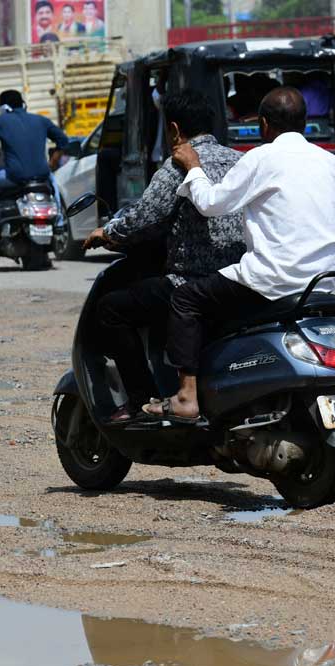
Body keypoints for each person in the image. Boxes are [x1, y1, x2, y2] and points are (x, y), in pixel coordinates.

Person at [143, 87, 335, 422]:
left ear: (263, 125)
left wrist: (194, 167)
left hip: (271, 279)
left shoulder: (260, 158)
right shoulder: (331, 162)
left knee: (186, 299)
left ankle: (186, 397)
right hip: (323, 282)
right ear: (305, 123)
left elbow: (210, 204)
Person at [82, 90, 246, 422]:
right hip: (237, 278)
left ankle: (140, 400)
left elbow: (145, 217)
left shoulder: (178, 162)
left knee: (111, 309)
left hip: (190, 281)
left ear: (173, 129)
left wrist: (108, 233)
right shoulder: (238, 159)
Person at [0, 89, 69, 267]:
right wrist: (53, 161)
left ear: (4, 107)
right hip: (41, 176)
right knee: (52, 180)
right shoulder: (41, 120)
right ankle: (60, 222)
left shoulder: (1, 122)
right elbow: (64, 140)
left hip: (14, 178)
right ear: (23, 104)